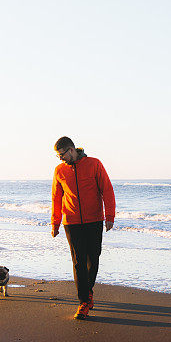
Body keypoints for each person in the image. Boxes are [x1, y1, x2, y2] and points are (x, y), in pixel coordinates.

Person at [51, 136, 115, 320]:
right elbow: (56, 198)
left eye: (62, 154)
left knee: (93, 258)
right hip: (71, 223)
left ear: (71, 150)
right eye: (58, 156)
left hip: (94, 220)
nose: (61, 158)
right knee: (78, 261)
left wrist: (109, 216)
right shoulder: (59, 170)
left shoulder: (94, 164)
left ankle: (88, 292)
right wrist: (55, 223)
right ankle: (84, 302)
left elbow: (107, 190)